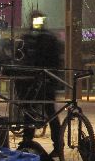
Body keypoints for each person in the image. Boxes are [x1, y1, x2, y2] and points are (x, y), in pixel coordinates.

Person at [17, 10, 64, 151]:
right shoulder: (29, 38)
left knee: (47, 112)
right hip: (34, 80)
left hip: (45, 80)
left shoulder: (46, 38)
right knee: (32, 112)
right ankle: (28, 142)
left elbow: (54, 60)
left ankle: (55, 145)